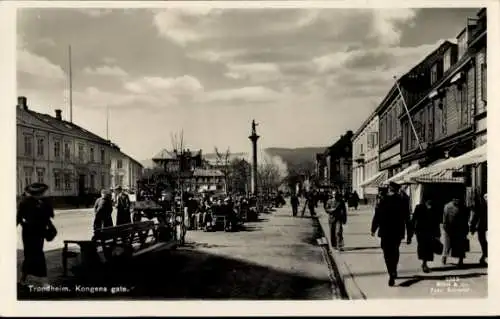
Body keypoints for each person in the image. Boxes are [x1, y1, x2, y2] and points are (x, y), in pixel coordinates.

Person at [371, 182, 411, 287]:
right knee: (395, 251)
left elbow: (377, 215)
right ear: (397, 190)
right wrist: (409, 234)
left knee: (386, 253)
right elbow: (407, 218)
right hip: (397, 231)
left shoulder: (383, 200)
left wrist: (373, 229)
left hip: (385, 231)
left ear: (389, 189)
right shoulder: (403, 201)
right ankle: (393, 269)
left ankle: (391, 271)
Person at [17, 183, 55, 287]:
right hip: (29, 233)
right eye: (41, 192)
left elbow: (47, 218)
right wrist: (26, 224)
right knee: (34, 255)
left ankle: (23, 280)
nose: (43, 194)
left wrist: (51, 228)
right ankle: (43, 282)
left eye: (42, 192)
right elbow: (18, 218)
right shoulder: (25, 203)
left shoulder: (44, 202)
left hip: (39, 233)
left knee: (32, 255)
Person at [409, 199, 441, 273]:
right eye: (428, 200)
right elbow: (414, 219)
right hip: (420, 232)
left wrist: (438, 234)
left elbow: (437, 222)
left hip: (431, 232)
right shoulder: (419, 207)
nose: (430, 202)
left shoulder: (435, 208)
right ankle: (424, 264)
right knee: (423, 247)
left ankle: (424, 263)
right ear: (425, 201)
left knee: (429, 248)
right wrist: (411, 231)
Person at [442, 197, 470, 267]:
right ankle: (444, 257)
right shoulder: (447, 206)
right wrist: (445, 226)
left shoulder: (463, 207)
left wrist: (466, 228)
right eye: (456, 199)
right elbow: (445, 218)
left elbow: (466, 218)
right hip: (449, 228)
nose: (457, 201)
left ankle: (460, 260)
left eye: (458, 199)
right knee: (447, 245)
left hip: (460, 228)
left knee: (461, 245)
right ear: (453, 199)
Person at [470, 193, 488, 266]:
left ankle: (484, 257)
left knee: (484, 242)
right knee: (483, 242)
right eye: (486, 197)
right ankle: (484, 257)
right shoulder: (481, 206)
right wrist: (472, 228)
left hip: (484, 228)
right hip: (482, 228)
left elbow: (475, 217)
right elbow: (475, 218)